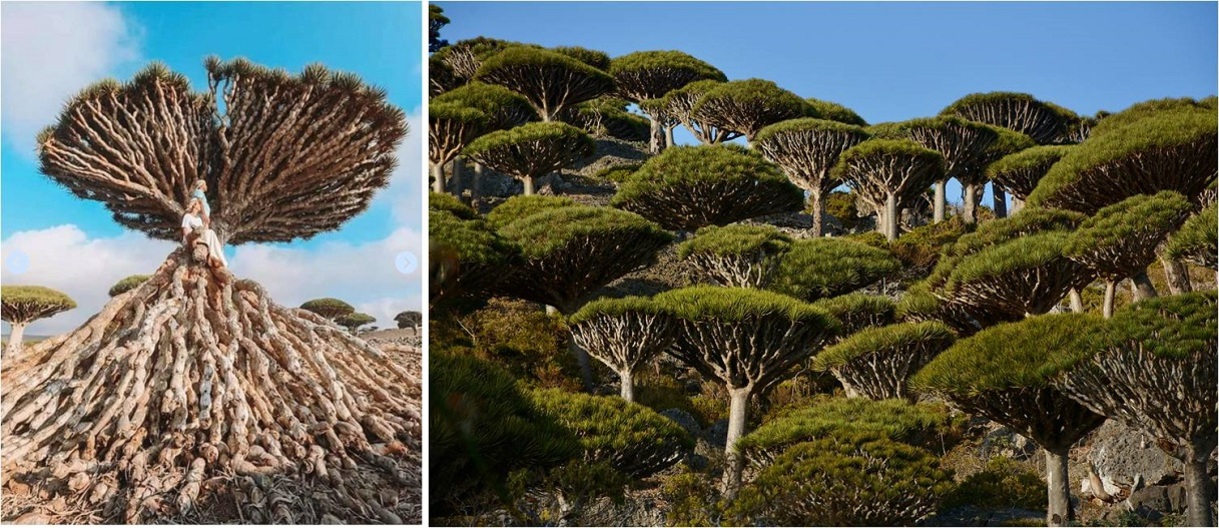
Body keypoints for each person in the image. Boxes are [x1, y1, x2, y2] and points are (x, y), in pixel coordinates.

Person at [182, 198, 227, 268]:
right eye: (199, 204)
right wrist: (191, 242)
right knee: (210, 233)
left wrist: (203, 210)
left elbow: (207, 221)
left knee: (210, 232)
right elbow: (185, 230)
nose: (200, 206)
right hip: (192, 239)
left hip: (201, 237)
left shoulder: (199, 219)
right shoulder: (187, 216)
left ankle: (214, 257)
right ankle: (214, 257)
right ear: (194, 205)